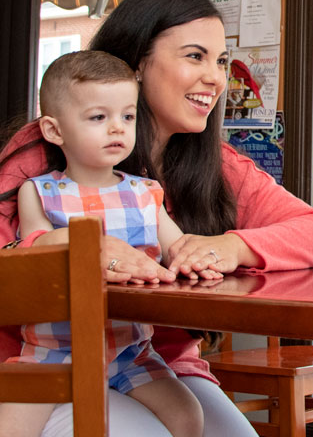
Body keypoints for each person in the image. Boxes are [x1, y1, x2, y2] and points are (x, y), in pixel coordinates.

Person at [0, 0, 313, 437]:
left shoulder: (217, 165)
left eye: (220, 61)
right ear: (137, 64)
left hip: (154, 363)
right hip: (38, 366)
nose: (217, 78)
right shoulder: (46, 155)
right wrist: (78, 253)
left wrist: (230, 246)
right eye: (195, 56)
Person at [0, 50, 210, 437]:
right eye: (99, 117)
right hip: (52, 353)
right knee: (9, 428)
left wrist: (196, 260)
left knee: (188, 416)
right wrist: (82, 242)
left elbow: (180, 249)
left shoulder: (147, 193)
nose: (117, 128)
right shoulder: (40, 192)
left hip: (131, 352)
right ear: (54, 130)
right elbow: (33, 248)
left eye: (127, 117)